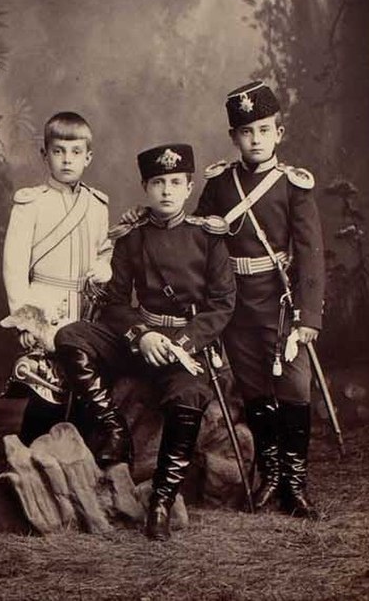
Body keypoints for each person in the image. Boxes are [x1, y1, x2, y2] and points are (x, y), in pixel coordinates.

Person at [54, 143, 236, 540]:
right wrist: (143, 333)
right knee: (70, 336)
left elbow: (222, 305)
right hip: (142, 338)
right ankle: (113, 428)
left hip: (185, 348)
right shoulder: (132, 237)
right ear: (145, 187)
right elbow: (116, 302)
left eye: (175, 182)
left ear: (189, 187)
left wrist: (182, 342)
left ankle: (161, 500)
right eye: (158, 183)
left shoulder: (208, 238)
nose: (166, 191)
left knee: (188, 396)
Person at [196, 80, 326, 519]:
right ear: (233, 137)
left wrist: (308, 316)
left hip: (281, 302)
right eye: (247, 132)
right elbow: (199, 237)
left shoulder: (294, 186)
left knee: (293, 388)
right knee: (253, 389)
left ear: (279, 133)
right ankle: (269, 473)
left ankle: (295, 483)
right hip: (234, 305)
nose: (256, 140)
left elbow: (310, 255)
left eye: (265, 130)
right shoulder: (219, 184)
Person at [2, 111, 131, 467]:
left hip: (84, 312)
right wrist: (26, 322)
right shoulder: (31, 204)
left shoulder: (97, 204)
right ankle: (27, 468)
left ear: (88, 157)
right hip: (45, 309)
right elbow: (14, 268)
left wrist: (103, 267)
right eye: (58, 152)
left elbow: (103, 253)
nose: (67, 160)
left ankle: (76, 472)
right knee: (48, 393)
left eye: (75, 152)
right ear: (45, 155)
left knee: (83, 393)